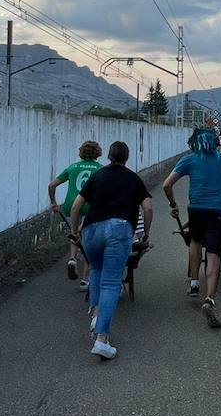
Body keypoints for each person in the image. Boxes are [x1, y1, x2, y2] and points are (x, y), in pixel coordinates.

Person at [72, 141, 154, 360]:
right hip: (118, 230)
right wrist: (146, 233)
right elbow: (148, 207)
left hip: (91, 231)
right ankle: (102, 339)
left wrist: (74, 231)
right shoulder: (133, 178)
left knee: (96, 270)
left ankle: (96, 315)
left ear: (108, 156)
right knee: (111, 282)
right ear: (126, 158)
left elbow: (75, 207)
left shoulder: (98, 176)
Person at [163, 127, 221, 326]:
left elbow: (166, 185)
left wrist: (173, 204)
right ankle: (210, 299)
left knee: (195, 241)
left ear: (195, 143)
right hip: (219, 211)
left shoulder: (189, 159)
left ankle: (195, 282)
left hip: (196, 209)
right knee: (214, 252)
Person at [48, 140, 103, 289]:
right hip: (90, 207)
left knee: (74, 233)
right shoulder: (100, 169)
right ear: (97, 153)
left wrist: (53, 202)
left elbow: (52, 185)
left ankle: (72, 258)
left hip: (70, 205)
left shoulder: (72, 167)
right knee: (88, 240)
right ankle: (85, 280)